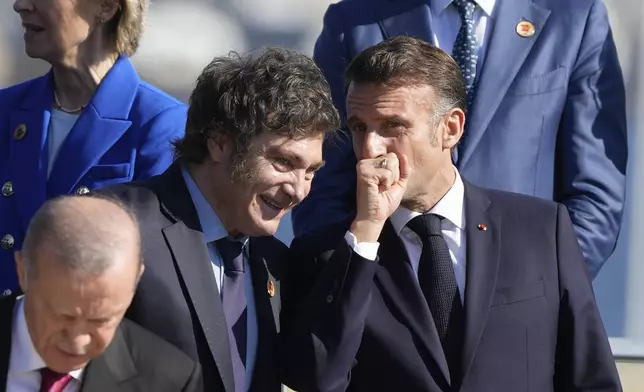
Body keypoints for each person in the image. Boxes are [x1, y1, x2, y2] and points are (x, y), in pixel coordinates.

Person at [287, 36, 622, 391]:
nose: (371, 148)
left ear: (450, 129)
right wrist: (367, 232)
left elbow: (591, 378)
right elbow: (318, 379)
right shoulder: (327, 253)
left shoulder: (541, 230)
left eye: (392, 127)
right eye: (359, 128)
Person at [293, 0, 628, 280]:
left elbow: (595, 195)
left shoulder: (574, 16)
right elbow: (322, 180)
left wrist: (538, 292)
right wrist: (357, 284)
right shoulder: (355, 19)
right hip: (390, 303)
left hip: (522, 298)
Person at [99, 47, 367, 392]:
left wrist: (367, 228)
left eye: (311, 171)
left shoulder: (273, 260)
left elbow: (317, 374)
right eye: (284, 161)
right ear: (220, 142)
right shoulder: (117, 227)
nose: (299, 191)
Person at [0, 0, 186, 295]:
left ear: (107, 7)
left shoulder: (160, 125)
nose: (20, 5)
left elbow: (157, 278)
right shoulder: (5, 110)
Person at [0, 196, 201, 392]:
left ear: (135, 282)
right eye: (63, 316)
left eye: (100, 321)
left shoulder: (169, 381)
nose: (77, 342)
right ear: (22, 272)